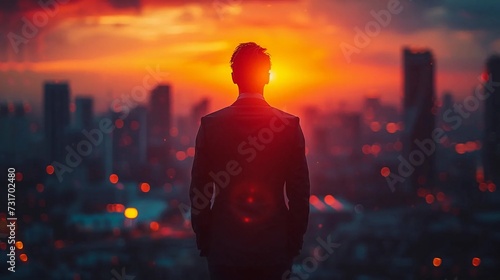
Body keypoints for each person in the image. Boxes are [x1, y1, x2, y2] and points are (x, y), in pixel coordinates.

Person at [190, 42, 310, 280]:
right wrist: (293, 242)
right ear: (267, 77)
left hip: (224, 249)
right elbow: (299, 194)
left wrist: (206, 241)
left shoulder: (210, 126)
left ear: (234, 77)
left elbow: (200, 191)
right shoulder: (289, 126)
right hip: (274, 249)